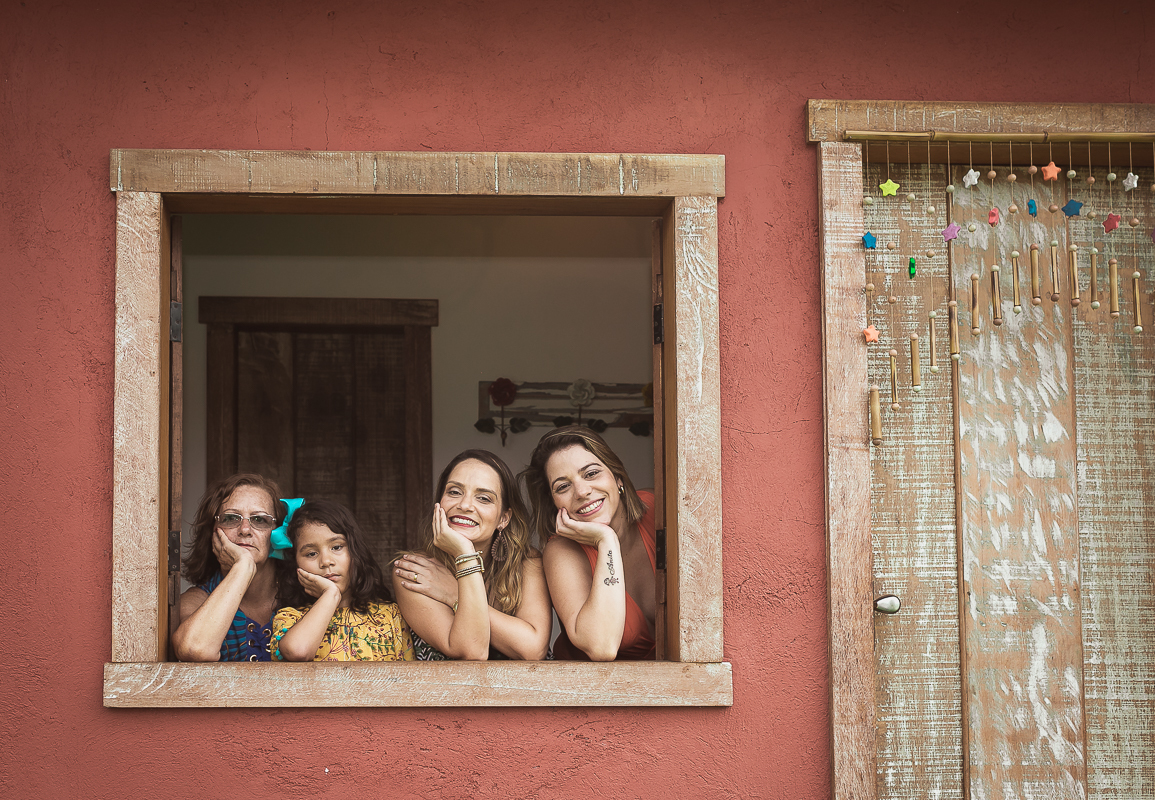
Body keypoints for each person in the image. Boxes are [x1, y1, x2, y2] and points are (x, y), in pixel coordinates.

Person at [393, 449, 550, 660]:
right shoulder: (414, 570)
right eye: (454, 492)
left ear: (503, 518)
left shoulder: (527, 561)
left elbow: (532, 649)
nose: (465, 505)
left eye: (484, 498)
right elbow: (472, 651)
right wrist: (465, 553)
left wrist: (454, 593)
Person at [522, 426, 657, 661]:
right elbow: (601, 646)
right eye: (563, 486)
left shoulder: (658, 509)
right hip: (596, 685)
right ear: (554, 503)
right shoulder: (561, 551)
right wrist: (606, 541)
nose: (582, 492)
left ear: (617, 477)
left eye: (591, 473)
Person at [270, 499, 415, 661]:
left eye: (336, 547)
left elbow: (409, 674)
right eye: (311, 553)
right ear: (295, 563)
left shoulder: (390, 616)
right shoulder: (290, 618)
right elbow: (298, 651)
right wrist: (330, 594)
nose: (326, 561)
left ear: (355, 550)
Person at [171, 473, 286, 662]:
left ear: (279, 533)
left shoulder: (300, 597)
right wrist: (243, 567)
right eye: (231, 518)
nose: (245, 530)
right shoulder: (196, 601)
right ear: (213, 532)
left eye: (259, 520)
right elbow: (194, 649)